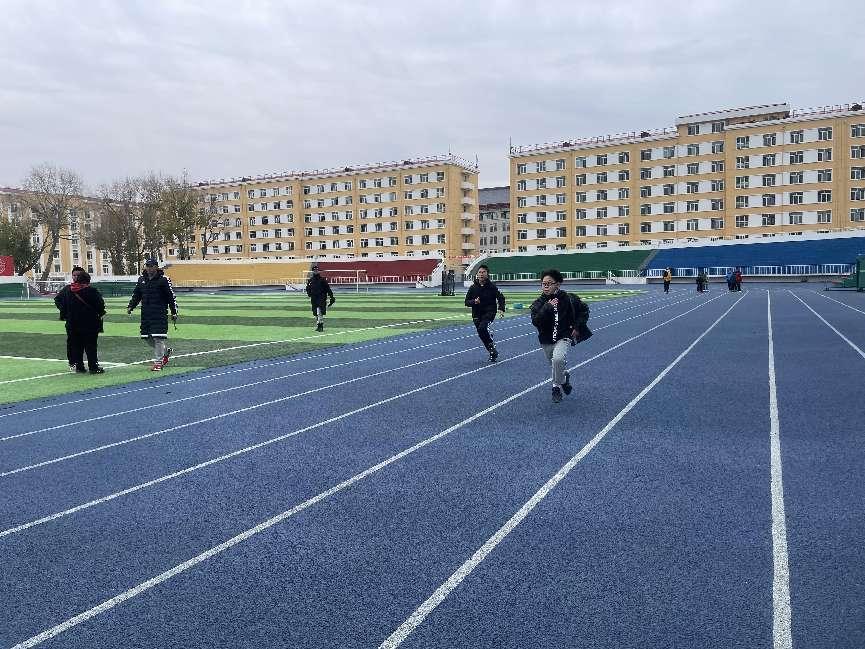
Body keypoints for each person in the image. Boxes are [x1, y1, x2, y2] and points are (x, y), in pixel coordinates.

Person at [530, 269, 578, 403]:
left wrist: (576, 327)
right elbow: (536, 321)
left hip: (563, 336)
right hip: (546, 339)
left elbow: (574, 313)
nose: (546, 286)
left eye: (549, 283)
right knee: (555, 365)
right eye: (543, 284)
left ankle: (555, 388)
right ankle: (564, 379)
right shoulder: (538, 303)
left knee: (557, 360)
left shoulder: (566, 298)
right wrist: (547, 307)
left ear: (557, 284)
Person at [127, 259, 178, 371]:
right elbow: (136, 294)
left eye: (151, 266)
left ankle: (158, 362)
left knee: (158, 338)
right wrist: (131, 306)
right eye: (147, 266)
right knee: (146, 338)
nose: (149, 268)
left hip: (159, 314)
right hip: (146, 314)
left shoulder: (164, 280)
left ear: (156, 267)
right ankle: (166, 351)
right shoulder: (141, 280)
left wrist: (174, 312)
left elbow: (171, 297)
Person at [54, 270, 106, 374]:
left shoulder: (68, 290)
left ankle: (79, 366)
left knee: (76, 345)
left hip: (72, 323)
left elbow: (58, 301)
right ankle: (93, 367)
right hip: (89, 323)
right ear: (88, 281)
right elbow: (100, 306)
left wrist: (65, 313)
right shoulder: (92, 291)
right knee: (90, 346)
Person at [464, 264, 506, 362]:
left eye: (483, 272)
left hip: (489, 312)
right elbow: (466, 302)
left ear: (487, 274)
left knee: (482, 328)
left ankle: (491, 344)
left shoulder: (492, 287)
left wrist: (501, 308)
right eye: (480, 272)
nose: (481, 274)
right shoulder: (473, 288)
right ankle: (492, 351)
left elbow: (501, 298)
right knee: (481, 333)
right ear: (477, 274)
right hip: (476, 314)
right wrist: (474, 302)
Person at [54, 265, 86, 372]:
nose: (76, 277)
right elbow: (57, 300)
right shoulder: (67, 289)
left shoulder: (87, 289)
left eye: (78, 275)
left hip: (85, 321)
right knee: (72, 342)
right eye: (74, 275)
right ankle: (72, 362)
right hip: (71, 321)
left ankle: (82, 363)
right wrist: (64, 311)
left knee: (84, 343)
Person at [305, 265, 334, 332]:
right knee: (315, 313)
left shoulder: (322, 280)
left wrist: (331, 297)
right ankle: (319, 325)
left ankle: (320, 326)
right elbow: (308, 288)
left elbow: (328, 289)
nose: (316, 271)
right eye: (314, 270)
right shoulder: (310, 280)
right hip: (314, 298)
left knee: (319, 312)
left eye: (317, 270)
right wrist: (309, 294)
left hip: (321, 298)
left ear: (318, 271)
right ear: (313, 271)